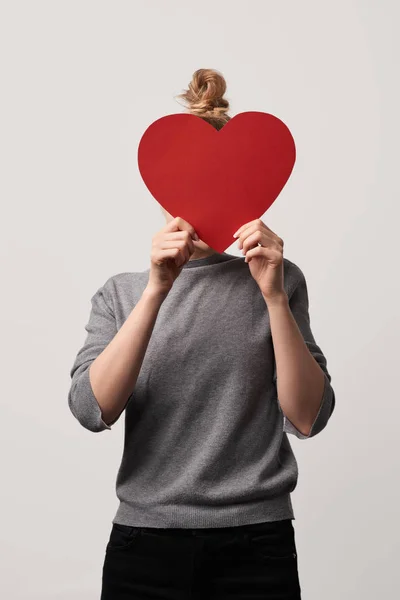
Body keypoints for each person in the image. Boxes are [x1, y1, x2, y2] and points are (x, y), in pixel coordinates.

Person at [68, 68, 335, 599]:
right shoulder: (121, 293)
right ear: (160, 190)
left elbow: (308, 417)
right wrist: (155, 292)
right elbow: (91, 409)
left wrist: (275, 297)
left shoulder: (280, 282)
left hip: (258, 543)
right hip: (145, 543)